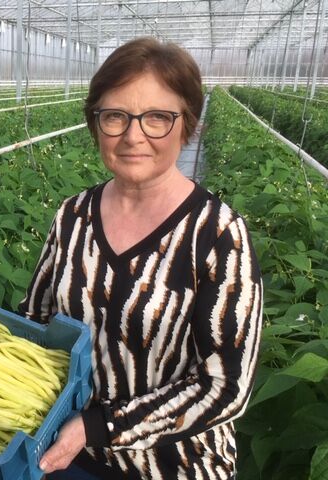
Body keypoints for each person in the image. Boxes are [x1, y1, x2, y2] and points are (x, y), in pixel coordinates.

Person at [18, 37, 263, 479]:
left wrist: (98, 427)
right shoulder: (73, 216)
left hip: (175, 465)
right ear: (95, 123)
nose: (134, 136)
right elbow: (34, 321)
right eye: (115, 116)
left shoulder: (217, 235)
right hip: (67, 451)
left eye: (157, 117)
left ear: (187, 124)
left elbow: (226, 386)